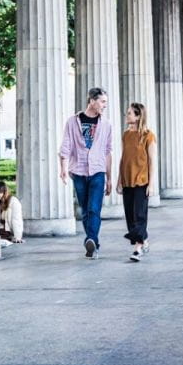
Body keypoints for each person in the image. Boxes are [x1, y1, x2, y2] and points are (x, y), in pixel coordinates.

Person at [59, 87, 113, 259]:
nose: (105, 105)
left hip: (98, 171)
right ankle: (93, 244)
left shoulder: (106, 124)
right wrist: (63, 169)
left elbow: (108, 151)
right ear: (92, 100)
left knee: (94, 209)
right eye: (102, 101)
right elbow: (66, 147)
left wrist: (110, 177)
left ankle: (91, 239)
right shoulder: (72, 122)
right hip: (79, 171)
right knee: (84, 210)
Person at [116, 102, 157, 262]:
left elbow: (152, 161)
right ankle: (143, 240)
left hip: (142, 181)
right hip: (127, 180)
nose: (127, 116)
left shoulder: (148, 135)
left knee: (139, 215)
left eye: (130, 113)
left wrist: (151, 184)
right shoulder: (126, 135)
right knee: (130, 216)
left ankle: (138, 249)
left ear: (138, 116)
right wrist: (119, 180)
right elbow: (123, 158)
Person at [0, 181, 23, 246]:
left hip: (6, 230)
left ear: (4, 192)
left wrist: (17, 236)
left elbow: (16, 219)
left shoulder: (13, 202)